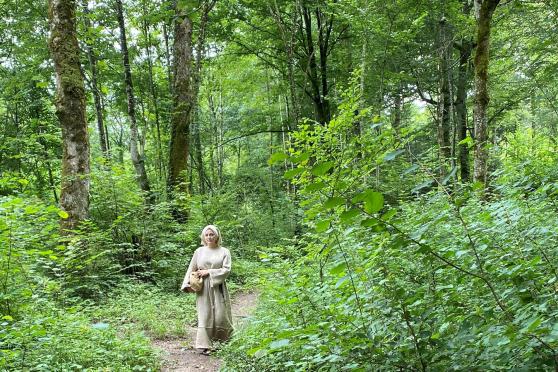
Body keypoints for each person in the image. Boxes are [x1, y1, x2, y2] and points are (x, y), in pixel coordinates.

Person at [181, 225, 233, 355]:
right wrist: (187, 283)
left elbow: (226, 269)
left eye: (212, 234)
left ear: (217, 236)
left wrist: (209, 272)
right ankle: (204, 345)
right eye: (207, 235)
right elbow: (191, 268)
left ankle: (222, 342)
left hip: (218, 286)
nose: (209, 237)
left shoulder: (224, 251)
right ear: (203, 237)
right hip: (203, 287)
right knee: (205, 315)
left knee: (221, 314)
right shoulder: (199, 251)